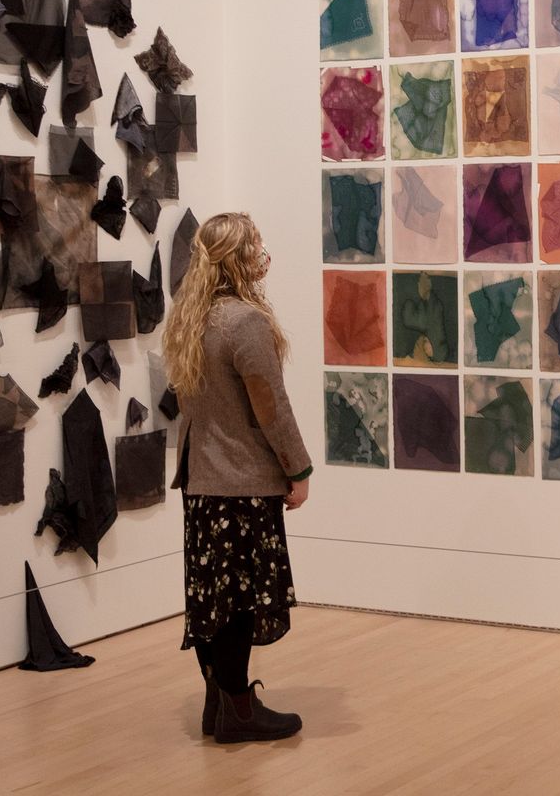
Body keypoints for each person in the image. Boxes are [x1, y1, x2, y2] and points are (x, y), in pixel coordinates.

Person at [162, 213, 313, 744]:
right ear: (236, 258)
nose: (262, 253)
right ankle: (240, 709)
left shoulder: (190, 320)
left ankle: (220, 701)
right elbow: (271, 407)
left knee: (211, 597)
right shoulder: (244, 322)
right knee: (239, 602)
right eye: (255, 245)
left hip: (202, 483)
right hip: (242, 483)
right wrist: (297, 468)